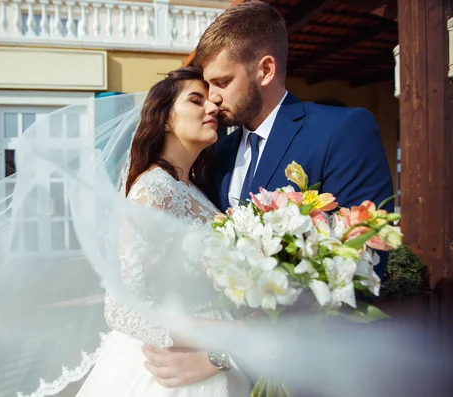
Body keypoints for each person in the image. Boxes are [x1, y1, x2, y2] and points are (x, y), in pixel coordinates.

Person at [141, 0, 394, 389]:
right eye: (207, 88)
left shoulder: (341, 131)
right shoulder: (217, 155)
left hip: (310, 377)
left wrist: (223, 354)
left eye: (223, 83)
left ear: (265, 69)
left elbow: (361, 268)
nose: (213, 99)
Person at [74, 66, 252, 397]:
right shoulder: (153, 189)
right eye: (196, 100)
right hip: (172, 367)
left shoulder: (195, 190)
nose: (211, 108)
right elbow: (121, 309)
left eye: (211, 101)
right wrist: (231, 333)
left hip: (214, 358)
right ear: (166, 119)